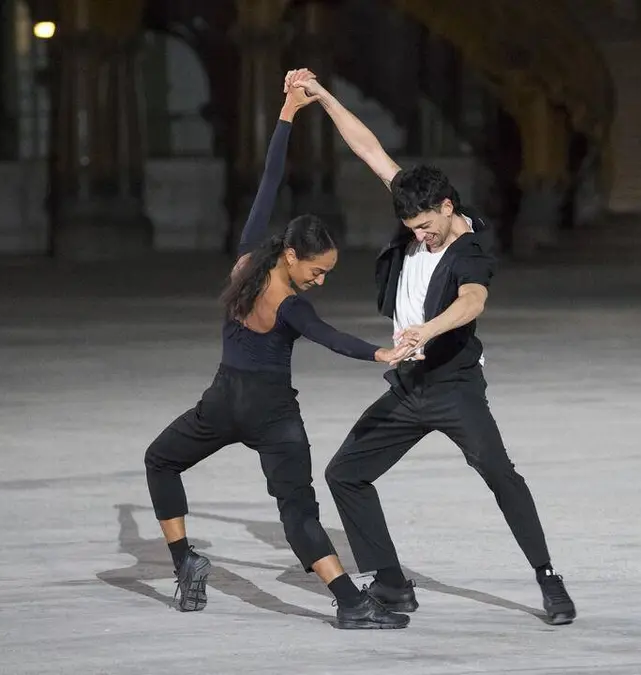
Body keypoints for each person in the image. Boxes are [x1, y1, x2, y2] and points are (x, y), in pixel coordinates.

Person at [286, 69, 577, 625]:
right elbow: (370, 149)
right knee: (345, 473)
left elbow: (472, 302)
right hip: (408, 386)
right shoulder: (417, 204)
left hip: (454, 386)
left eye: (424, 226)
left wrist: (427, 329)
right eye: (411, 227)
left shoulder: (471, 251)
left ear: (447, 206)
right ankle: (392, 583)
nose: (419, 235)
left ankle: (548, 578)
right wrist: (323, 97)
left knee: (500, 474)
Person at [143, 72, 414, 630]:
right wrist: (380, 354)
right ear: (292, 255)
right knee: (297, 510)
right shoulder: (291, 306)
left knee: (161, 460)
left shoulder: (247, 261)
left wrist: (288, 112)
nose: (321, 280)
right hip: (271, 414)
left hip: (223, 401)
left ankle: (185, 559)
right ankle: (349, 603)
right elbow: (330, 337)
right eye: (318, 270)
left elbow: (269, 181)